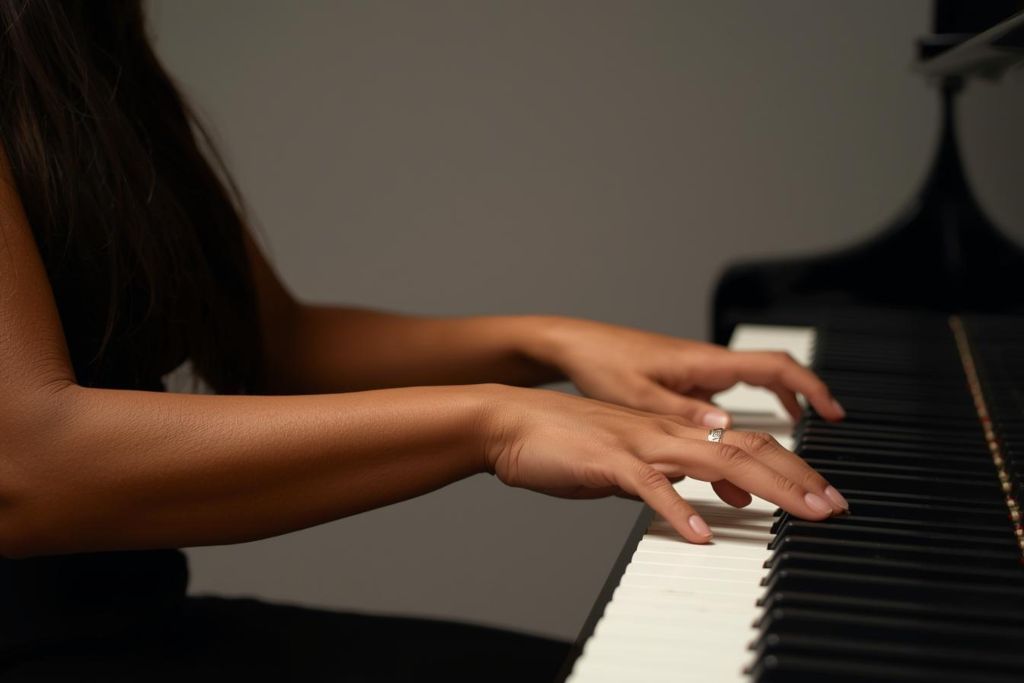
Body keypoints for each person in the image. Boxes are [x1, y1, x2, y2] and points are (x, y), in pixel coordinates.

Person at [0, 1, 849, 680]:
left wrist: (551, 343)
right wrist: (497, 422)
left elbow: (273, 342)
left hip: (139, 618)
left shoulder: (86, 42)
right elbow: (30, 469)